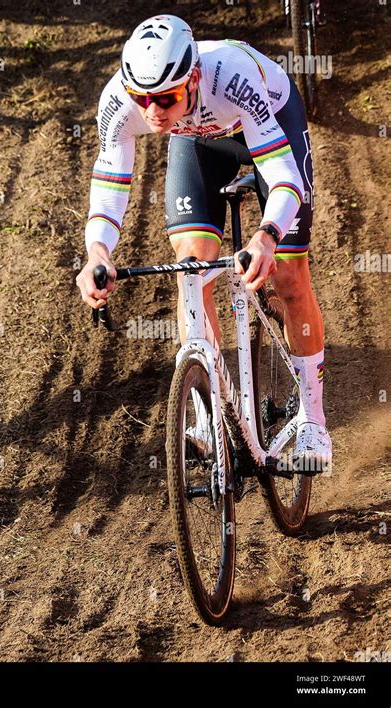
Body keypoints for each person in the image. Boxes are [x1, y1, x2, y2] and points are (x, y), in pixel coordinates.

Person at [76, 14, 332, 470]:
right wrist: (98, 252)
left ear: (192, 78)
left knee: (289, 275)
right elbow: (111, 182)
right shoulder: (120, 101)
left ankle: (313, 415)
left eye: (166, 98)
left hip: (269, 123)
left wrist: (267, 236)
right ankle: (205, 405)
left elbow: (283, 178)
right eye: (143, 98)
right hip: (199, 142)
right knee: (193, 266)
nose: (153, 110)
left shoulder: (230, 76)